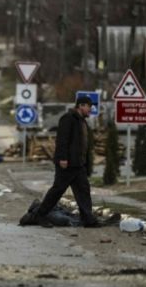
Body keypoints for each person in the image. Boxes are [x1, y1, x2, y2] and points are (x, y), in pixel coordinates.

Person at [20, 95, 98, 228]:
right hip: (67, 164)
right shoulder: (68, 119)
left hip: (78, 164)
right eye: (89, 107)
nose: (90, 109)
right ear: (81, 106)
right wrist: (63, 158)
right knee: (57, 191)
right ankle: (40, 215)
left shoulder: (82, 121)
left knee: (83, 190)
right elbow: (62, 140)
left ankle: (88, 219)